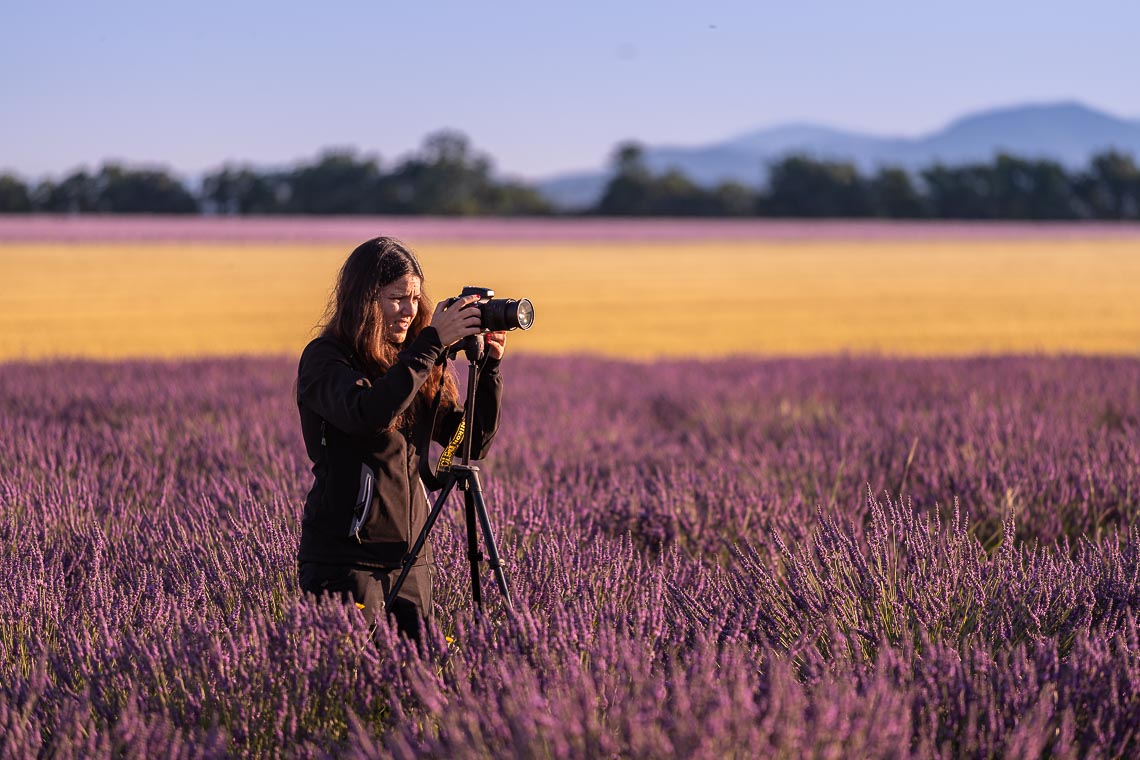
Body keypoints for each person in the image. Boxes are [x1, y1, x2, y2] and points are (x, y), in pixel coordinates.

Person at [295, 236, 505, 640]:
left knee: (419, 682)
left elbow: (467, 444)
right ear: (363, 299)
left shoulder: (414, 362)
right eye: (396, 298)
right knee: (350, 685)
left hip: (411, 557)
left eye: (415, 297)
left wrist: (490, 370)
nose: (410, 311)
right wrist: (430, 346)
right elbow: (368, 413)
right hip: (346, 560)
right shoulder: (327, 359)